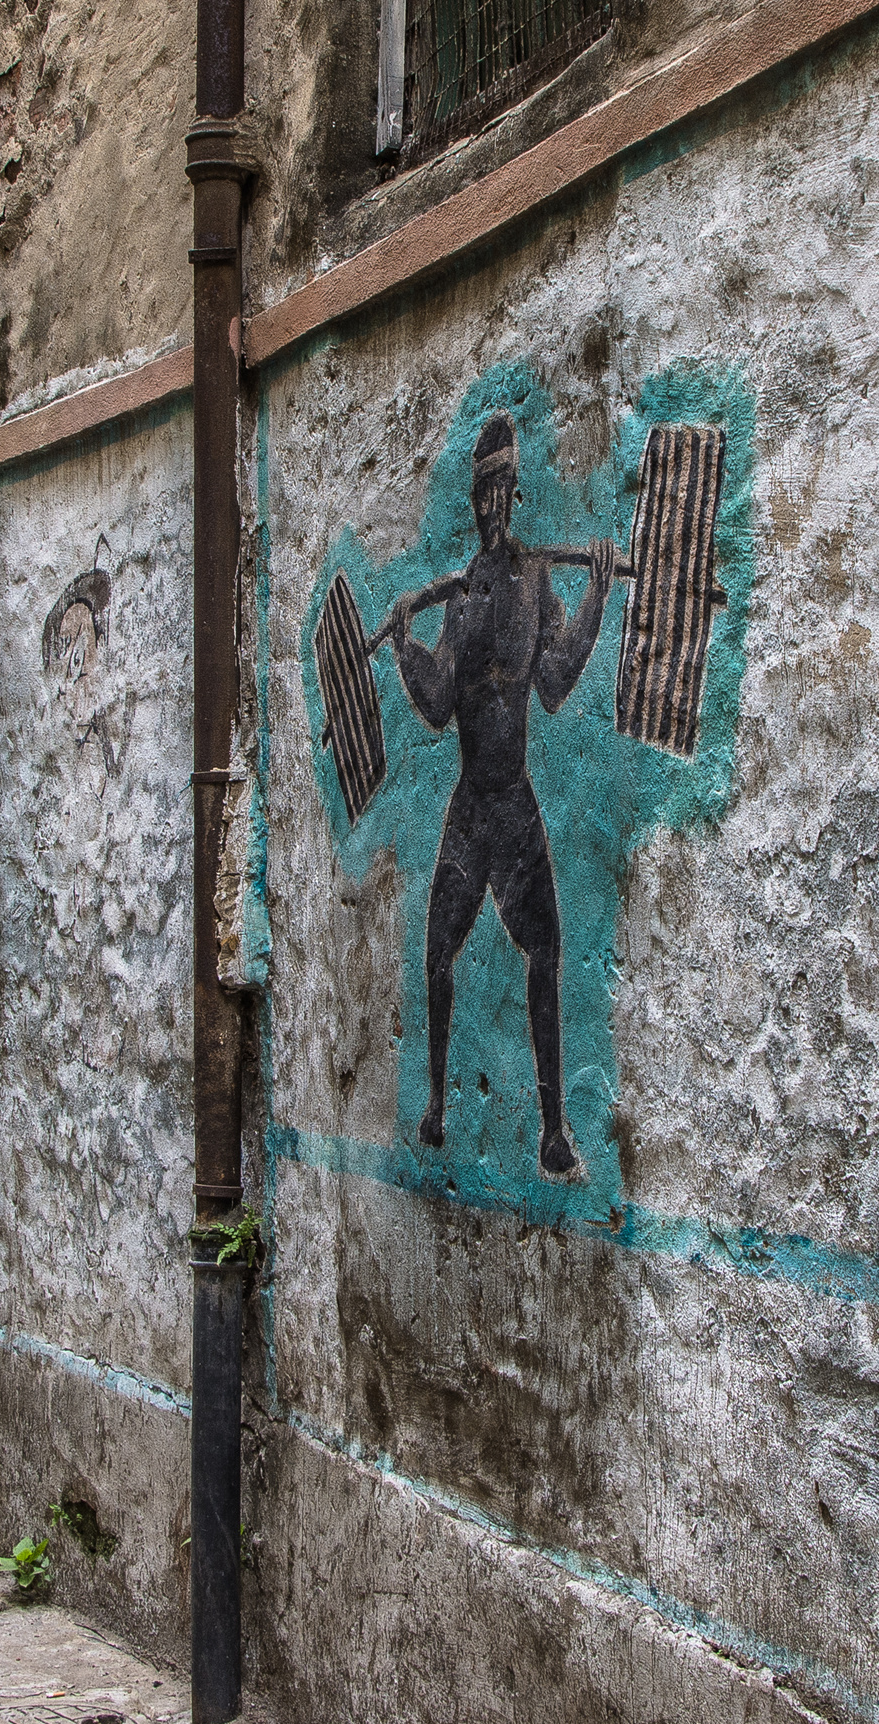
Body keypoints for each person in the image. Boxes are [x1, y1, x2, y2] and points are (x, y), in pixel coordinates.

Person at [379, 410, 616, 1180]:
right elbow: (438, 702)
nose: (490, 507)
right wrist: (405, 645)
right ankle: (437, 1107)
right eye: (480, 494)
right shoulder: (461, 595)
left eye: (500, 492)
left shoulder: (536, 581)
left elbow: (554, 683)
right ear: (473, 500)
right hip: (469, 807)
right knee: (437, 951)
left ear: (515, 494)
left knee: (545, 948)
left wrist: (596, 598)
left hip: (513, 805)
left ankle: (552, 1130)